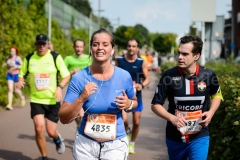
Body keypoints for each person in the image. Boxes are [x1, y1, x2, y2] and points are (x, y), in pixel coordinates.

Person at [59, 28, 138, 160]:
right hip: (86, 143)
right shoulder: (79, 78)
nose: (100, 48)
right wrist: (81, 98)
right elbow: (63, 118)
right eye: (95, 44)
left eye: (105, 44)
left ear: (112, 49)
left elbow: (134, 102)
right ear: (91, 48)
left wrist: (129, 104)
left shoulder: (124, 76)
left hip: (115, 144)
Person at [151, 36, 223, 160]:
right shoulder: (169, 76)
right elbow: (155, 105)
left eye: (185, 54)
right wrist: (172, 118)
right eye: (179, 53)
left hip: (200, 136)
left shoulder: (208, 75)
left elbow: (217, 95)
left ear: (196, 56)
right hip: (175, 137)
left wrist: (211, 112)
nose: (179, 57)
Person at [16, 34, 70, 160]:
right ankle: (44, 157)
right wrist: (20, 81)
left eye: (43, 44)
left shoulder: (55, 57)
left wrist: (59, 88)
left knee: (50, 132)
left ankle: (57, 139)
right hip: (36, 100)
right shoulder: (30, 58)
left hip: (52, 100)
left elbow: (66, 75)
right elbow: (21, 73)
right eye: (39, 44)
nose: (41, 46)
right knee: (39, 129)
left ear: (47, 44)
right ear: (36, 45)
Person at [116, 38, 150, 154]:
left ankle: (132, 143)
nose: (131, 48)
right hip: (122, 95)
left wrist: (141, 85)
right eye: (129, 46)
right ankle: (127, 131)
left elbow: (147, 79)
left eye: (134, 46)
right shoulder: (119, 60)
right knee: (124, 120)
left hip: (136, 95)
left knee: (136, 122)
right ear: (127, 47)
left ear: (137, 48)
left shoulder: (141, 61)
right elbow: (113, 73)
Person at [64, 39, 92, 126]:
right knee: (76, 114)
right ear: (73, 47)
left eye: (80, 47)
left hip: (87, 88)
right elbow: (63, 74)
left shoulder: (89, 58)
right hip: (74, 89)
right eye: (77, 47)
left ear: (83, 47)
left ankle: (82, 130)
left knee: (87, 113)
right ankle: (79, 127)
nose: (78, 49)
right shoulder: (68, 59)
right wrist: (72, 72)